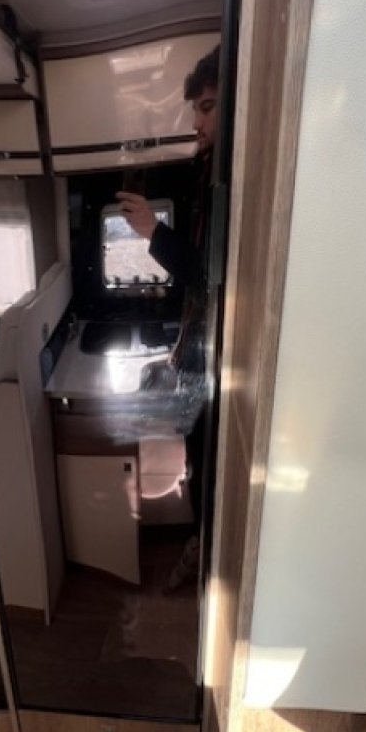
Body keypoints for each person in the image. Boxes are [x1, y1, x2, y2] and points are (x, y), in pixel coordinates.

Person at [115, 45, 220, 589]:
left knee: (203, 465)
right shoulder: (210, 173)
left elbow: (206, 273)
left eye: (207, 107)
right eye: (196, 109)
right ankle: (201, 546)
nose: (197, 123)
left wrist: (153, 232)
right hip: (201, 352)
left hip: (214, 359)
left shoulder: (229, 177)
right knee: (197, 459)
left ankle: (203, 554)